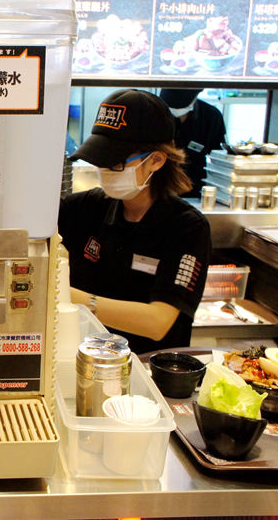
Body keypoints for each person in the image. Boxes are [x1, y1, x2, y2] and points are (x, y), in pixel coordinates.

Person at [59, 89, 211, 355]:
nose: (105, 172)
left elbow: (157, 322)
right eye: (100, 162)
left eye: (115, 164)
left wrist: (69, 296)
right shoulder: (89, 207)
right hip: (86, 360)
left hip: (149, 370)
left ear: (156, 160)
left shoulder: (187, 227)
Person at [159, 88, 227, 199]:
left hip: (196, 193)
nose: (177, 111)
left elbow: (219, 161)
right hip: (156, 192)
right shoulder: (151, 114)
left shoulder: (210, 117)